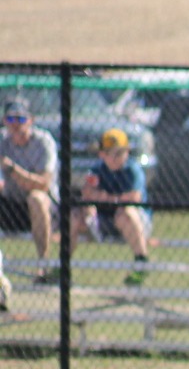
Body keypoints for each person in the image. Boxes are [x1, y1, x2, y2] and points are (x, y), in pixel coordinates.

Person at [76, 129, 154, 286]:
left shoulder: (132, 169)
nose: (115, 157)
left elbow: (134, 197)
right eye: (110, 153)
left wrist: (108, 198)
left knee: (125, 212)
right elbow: (87, 193)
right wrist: (94, 204)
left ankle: (141, 262)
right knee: (76, 215)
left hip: (136, 222)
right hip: (105, 219)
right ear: (102, 154)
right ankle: (60, 268)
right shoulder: (97, 169)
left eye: (120, 152)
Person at [0, 97, 60, 285]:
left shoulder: (43, 142)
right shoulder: (2, 140)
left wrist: (12, 169)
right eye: (10, 119)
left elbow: (43, 184)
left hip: (43, 208)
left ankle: (42, 265)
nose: (16, 125)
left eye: (21, 119)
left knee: (37, 198)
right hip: (11, 204)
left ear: (31, 120)